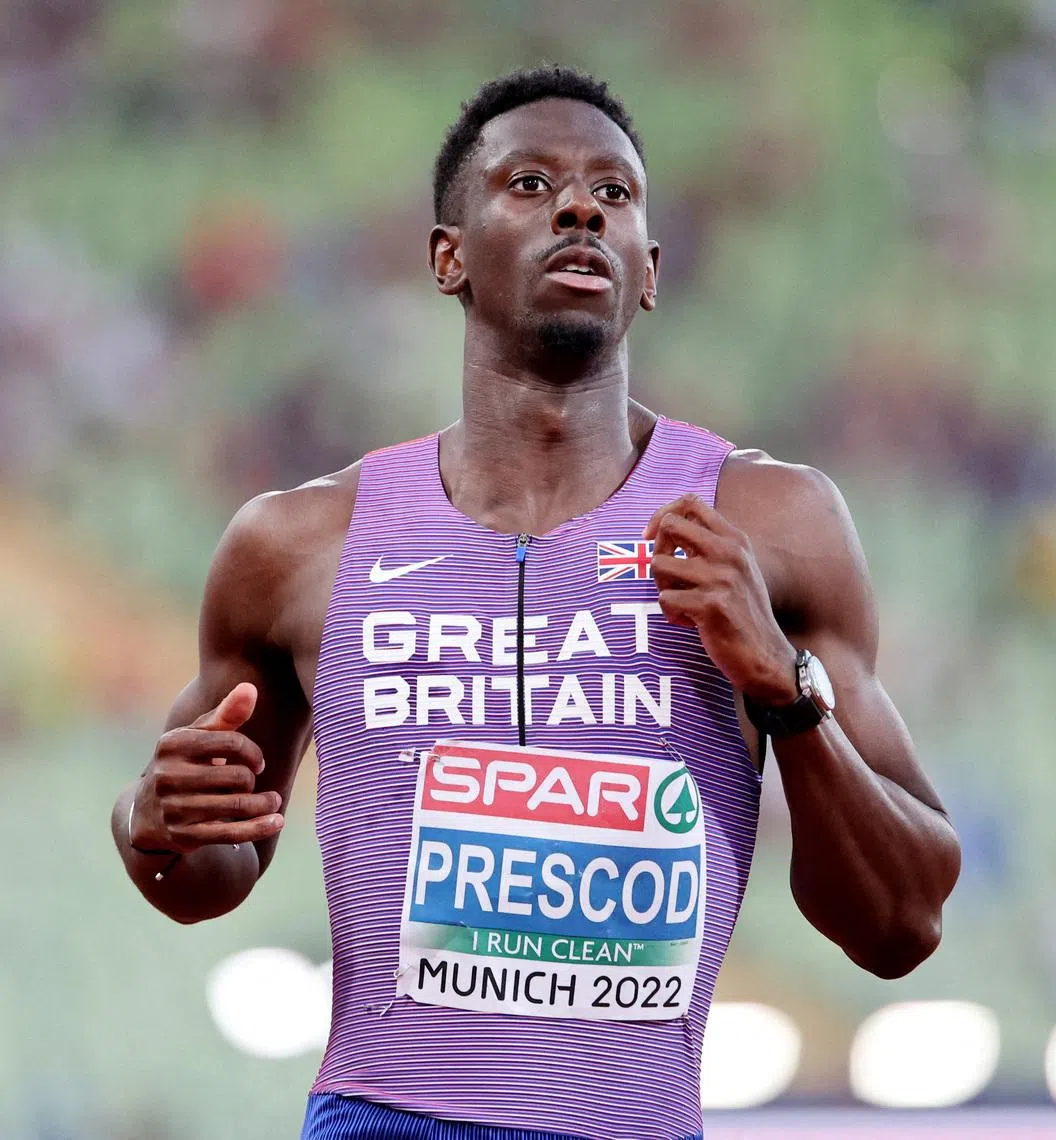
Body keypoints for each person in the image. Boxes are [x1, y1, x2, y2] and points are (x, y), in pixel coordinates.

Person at [111, 65, 961, 1140]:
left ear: (649, 271)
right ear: (448, 257)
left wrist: (786, 695)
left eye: (613, 194)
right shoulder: (295, 544)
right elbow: (202, 874)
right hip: (384, 1119)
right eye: (528, 183)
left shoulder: (772, 525)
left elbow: (902, 922)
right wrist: (148, 820)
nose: (578, 207)